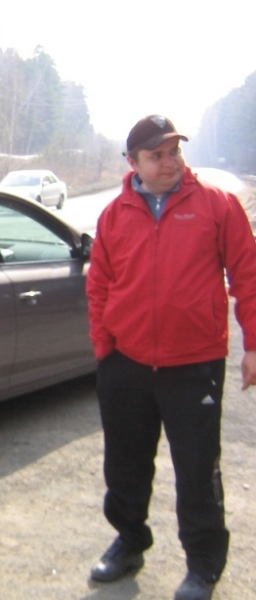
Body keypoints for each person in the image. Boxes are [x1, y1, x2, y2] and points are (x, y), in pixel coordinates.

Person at [86, 115, 256, 600]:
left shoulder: (215, 205)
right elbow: (98, 283)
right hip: (127, 361)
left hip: (194, 363)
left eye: (174, 152)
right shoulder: (115, 214)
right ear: (133, 162)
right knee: (125, 463)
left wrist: (254, 345)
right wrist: (105, 346)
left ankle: (202, 566)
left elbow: (248, 275)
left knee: (198, 469)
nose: (169, 163)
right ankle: (130, 540)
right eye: (156, 155)